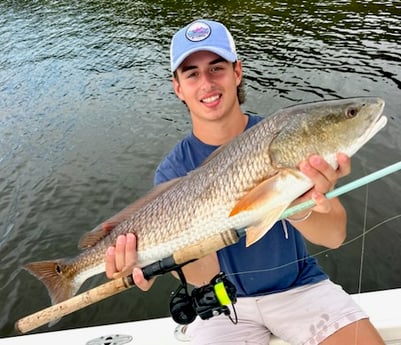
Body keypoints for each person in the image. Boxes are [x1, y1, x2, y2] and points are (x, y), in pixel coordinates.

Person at [105, 19, 384, 345]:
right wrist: (148, 260)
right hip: (223, 304)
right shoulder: (173, 170)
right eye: (192, 73)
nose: (206, 83)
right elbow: (201, 277)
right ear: (178, 87)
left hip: (300, 287)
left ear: (237, 72)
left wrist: (296, 204)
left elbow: (335, 236)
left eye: (216, 68)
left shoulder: (285, 133)